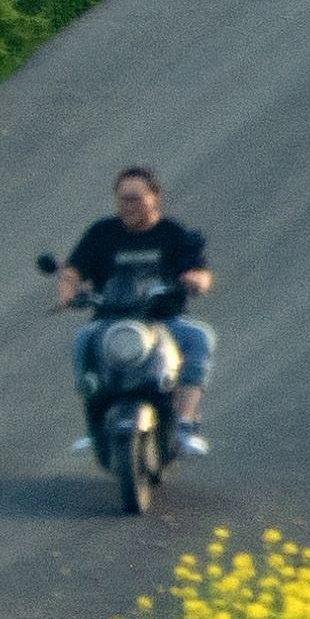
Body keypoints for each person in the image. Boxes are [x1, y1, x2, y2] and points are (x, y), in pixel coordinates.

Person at [54, 163, 218, 456]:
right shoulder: (102, 233)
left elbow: (200, 270)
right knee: (82, 341)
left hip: (163, 321)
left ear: (155, 197)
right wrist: (68, 292)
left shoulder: (172, 233)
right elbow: (72, 270)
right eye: (123, 199)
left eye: (136, 199)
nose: (128, 206)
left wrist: (196, 280)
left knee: (199, 337)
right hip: (110, 322)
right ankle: (94, 424)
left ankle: (184, 423)